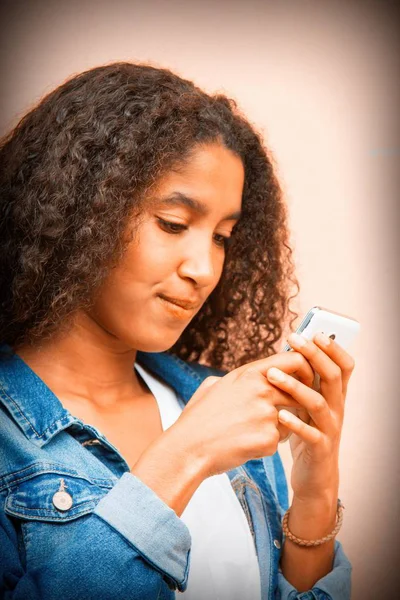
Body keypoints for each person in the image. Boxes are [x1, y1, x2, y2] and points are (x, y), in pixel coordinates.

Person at [0, 62, 354, 600]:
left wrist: (314, 488)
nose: (205, 270)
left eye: (222, 237)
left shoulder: (225, 405)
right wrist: (184, 455)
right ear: (81, 211)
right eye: (173, 224)